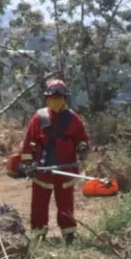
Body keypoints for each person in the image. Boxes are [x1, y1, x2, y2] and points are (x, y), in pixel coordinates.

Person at [18, 79, 90, 245]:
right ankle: (39, 234)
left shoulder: (73, 119)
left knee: (65, 204)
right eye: (53, 97)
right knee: (39, 204)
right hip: (43, 170)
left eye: (59, 97)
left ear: (65, 98)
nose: (56, 100)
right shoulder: (38, 118)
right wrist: (27, 164)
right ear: (47, 98)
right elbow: (29, 142)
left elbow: (81, 139)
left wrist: (82, 149)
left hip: (66, 170)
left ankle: (69, 234)